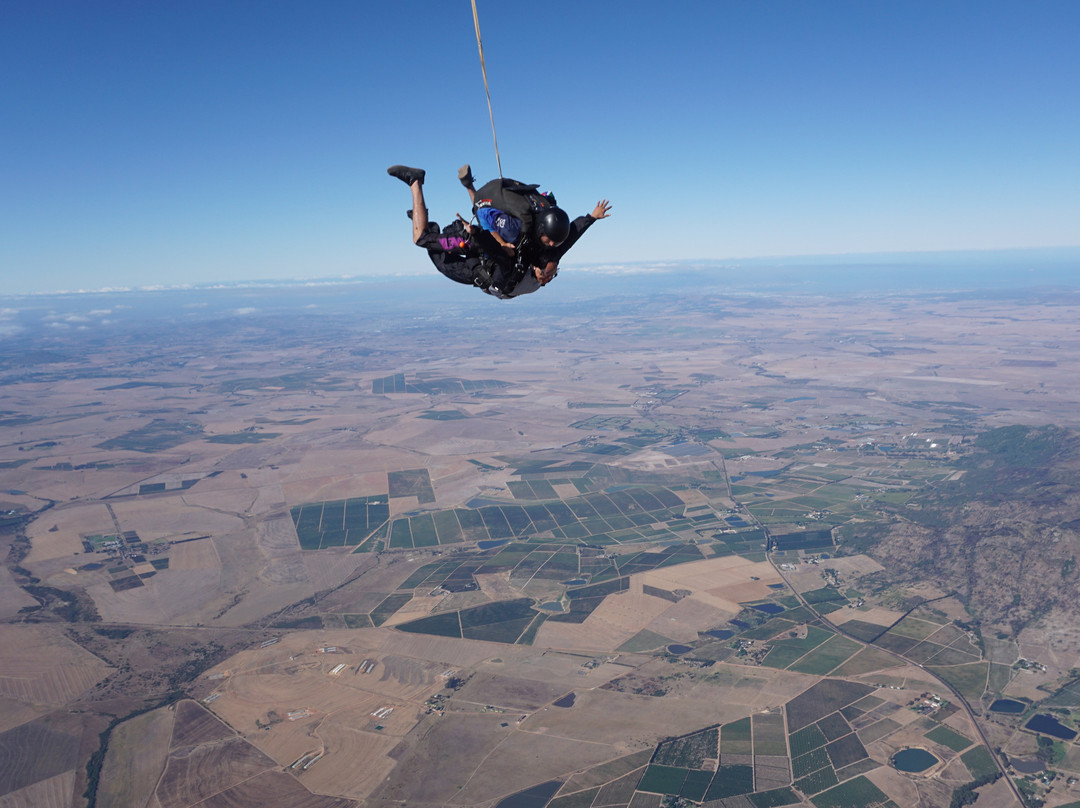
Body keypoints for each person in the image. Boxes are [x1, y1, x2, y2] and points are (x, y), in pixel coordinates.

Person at [388, 164, 610, 298]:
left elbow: (570, 236)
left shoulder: (547, 250)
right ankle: (415, 181)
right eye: (550, 274)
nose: (550, 279)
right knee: (421, 239)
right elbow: (498, 251)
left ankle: (424, 218)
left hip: (480, 259)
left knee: (435, 249)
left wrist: (591, 217)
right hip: (477, 249)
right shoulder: (521, 256)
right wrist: (477, 235)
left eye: (552, 275)